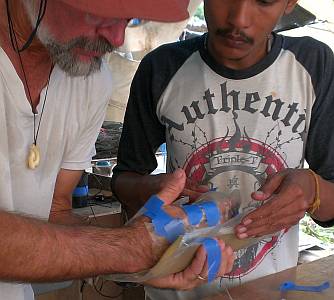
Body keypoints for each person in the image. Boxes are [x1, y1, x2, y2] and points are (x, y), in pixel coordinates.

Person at [0, 0, 235, 299]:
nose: (117, 38)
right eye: (101, 13)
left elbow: (54, 211)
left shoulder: (88, 80)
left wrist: (143, 253)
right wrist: (126, 249)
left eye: (129, 19)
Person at [112, 0, 334, 299]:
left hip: (268, 292)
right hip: (176, 291)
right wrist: (156, 189)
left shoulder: (313, 64)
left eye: (264, 1)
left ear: (290, 3)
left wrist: (313, 189)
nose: (238, 19)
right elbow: (124, 179)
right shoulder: (162, 67)